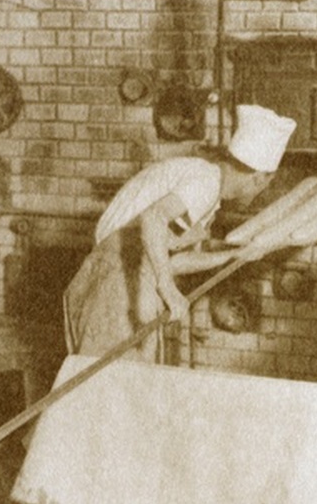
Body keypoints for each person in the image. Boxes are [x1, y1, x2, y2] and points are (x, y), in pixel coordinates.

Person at [63, 104, 297, 362]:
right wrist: (166, 287)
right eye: (264, 186)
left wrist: (236, 255)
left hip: (126, 280)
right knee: (113, 386)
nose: (258, 194)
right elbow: (153, 217)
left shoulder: (208, 195)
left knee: (128, 383)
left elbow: (173, 263)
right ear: (259, 178)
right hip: (117, 282)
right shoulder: (205, 180)